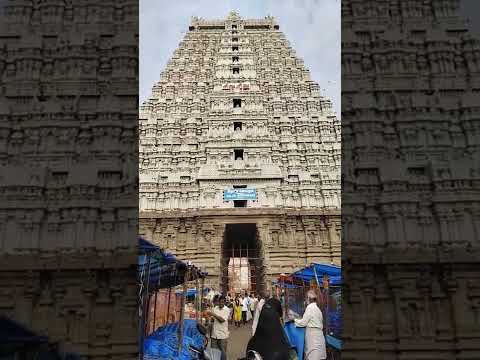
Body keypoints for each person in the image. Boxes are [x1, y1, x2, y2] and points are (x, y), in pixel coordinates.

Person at [294, 290, 326, 360]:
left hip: (313, 336)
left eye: (306, 298)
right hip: (319, 335)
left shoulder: (310, 308)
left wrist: (294, 320)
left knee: (313, 356)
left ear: (308, 298)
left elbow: (303, 323)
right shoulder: (318, 309)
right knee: (319, 356)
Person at [206, 295, 230, 360]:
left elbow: (222, 320)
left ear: (225, 303)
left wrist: (213, 314)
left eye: (223, 302)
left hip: (222, 335)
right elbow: (212, 320)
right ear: (218, 302)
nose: (221, 303)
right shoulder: (215, 308)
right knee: (214, 353)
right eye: (220, 302)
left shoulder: (227, 310)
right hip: (214, 335)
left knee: (223, 353)